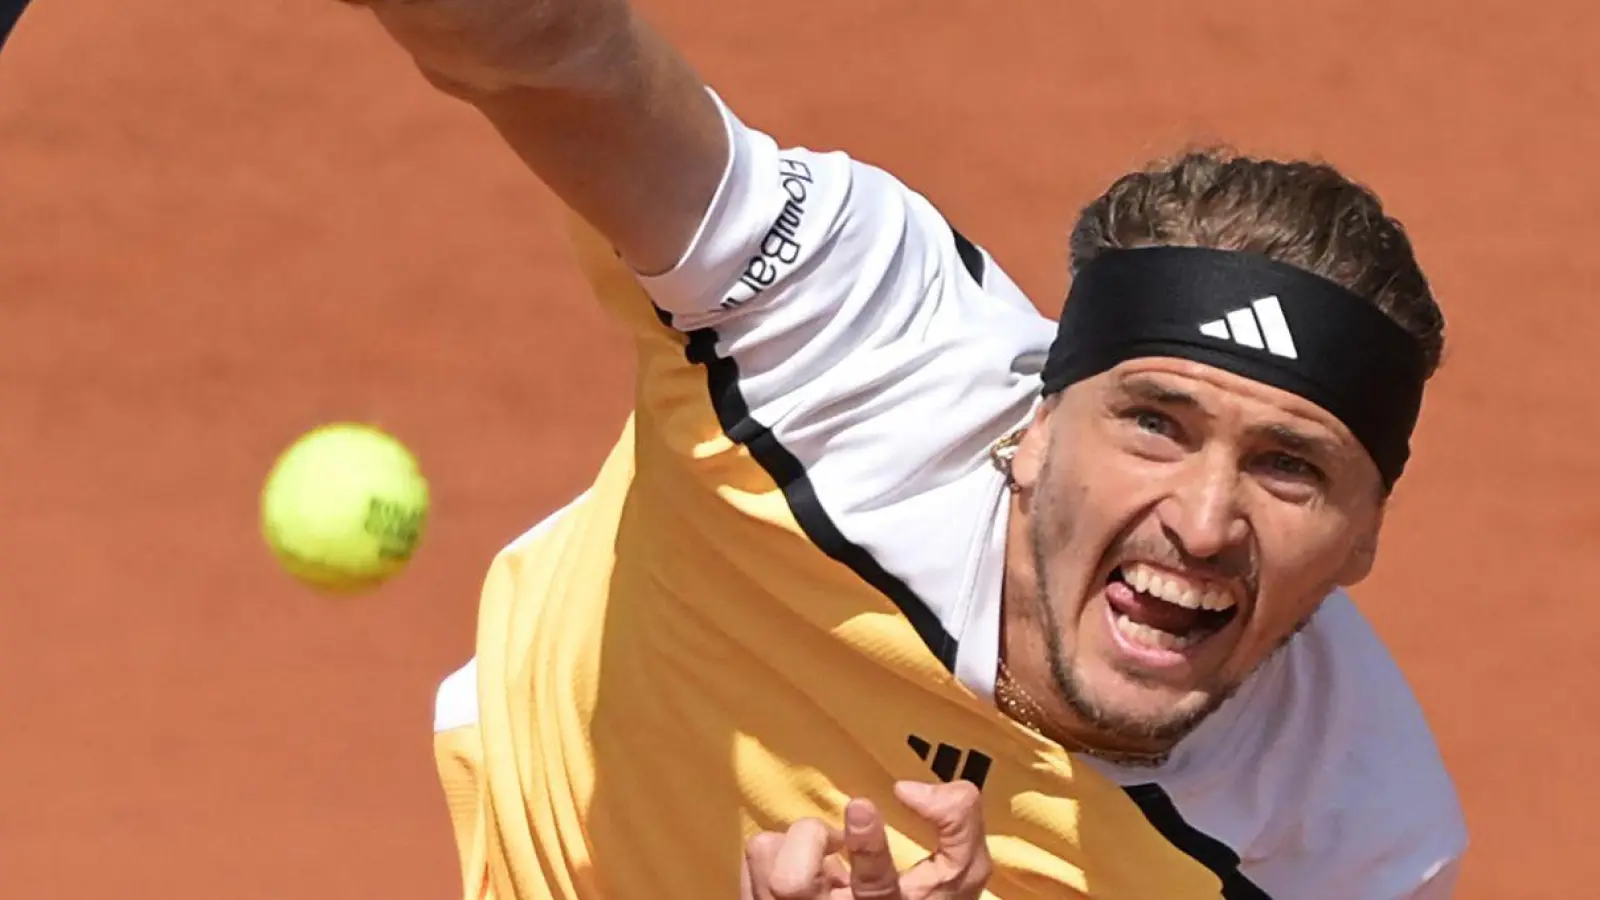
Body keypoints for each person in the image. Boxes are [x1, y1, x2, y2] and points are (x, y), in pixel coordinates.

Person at [343, 0, 1469, 896]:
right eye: (1153, 423)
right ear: (1034, 425)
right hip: (549, 832)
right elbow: (554, 56)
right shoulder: (850, 344)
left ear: (1365, 537)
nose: (1205, 518)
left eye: (1291, 467)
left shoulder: (1345, 850)